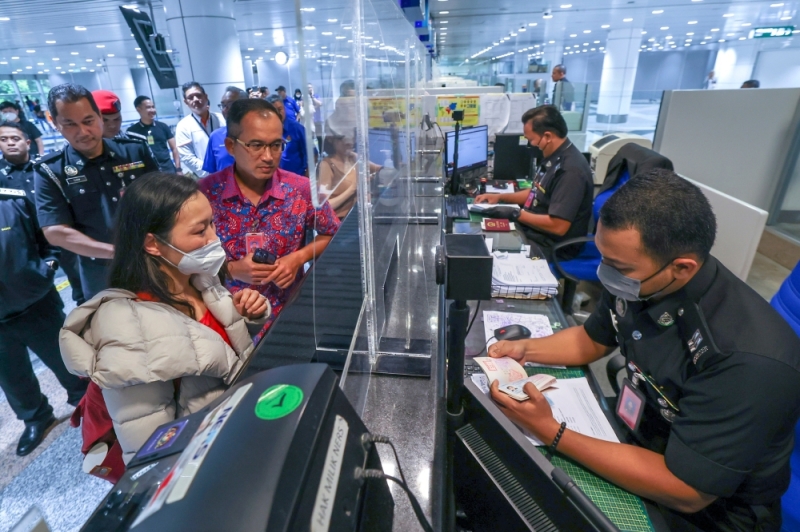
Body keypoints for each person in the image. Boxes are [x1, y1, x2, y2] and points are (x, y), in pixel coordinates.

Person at [487, 169, 800, 532]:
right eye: (604, 257)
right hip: (640, 439)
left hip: (707, 511)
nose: (605, 275)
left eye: (618, 268)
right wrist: (523, 348)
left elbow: (687, 490)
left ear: (682, 268)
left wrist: (551, 431)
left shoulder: (749, 360)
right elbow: (590, 339)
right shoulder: (643, 281)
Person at [60, 172, 269, 469]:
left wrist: (250, 316)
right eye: (200, 231)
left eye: (212, 223)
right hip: (209, 459)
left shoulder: (199, 279)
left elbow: (216, 347)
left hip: (237, 428)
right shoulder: (128, 332)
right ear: (153, 244)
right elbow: (152, 452)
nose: (214, 238)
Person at [199, 98, 340, 333]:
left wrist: (297, 259)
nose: (268, 156)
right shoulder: (205, 194)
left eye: (276, 145)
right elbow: (184, 258)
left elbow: (332, 234)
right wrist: (232, 269)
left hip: (288, 315)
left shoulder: (300, 189)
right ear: (231, 146)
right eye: (256, 145)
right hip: (227, 318)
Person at [0, 132, 88, 457]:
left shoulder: (12, 198)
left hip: (34, 300)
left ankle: (85, 400)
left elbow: (47, 235)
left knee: (63, 357)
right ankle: (35, 417)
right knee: (12, 375)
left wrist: (47, 268)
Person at [34, 83, 159, 300]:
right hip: (101, 273)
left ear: (100, 117)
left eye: (88, 121)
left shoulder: (134, 151)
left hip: (153, 260)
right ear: (55, 124)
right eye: (70, 124)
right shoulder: (51, 170)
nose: (83, 132)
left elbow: (163, 200)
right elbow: (55, 232)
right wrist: (117, 253)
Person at [475, 105, 593, 261]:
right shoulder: (553, 156)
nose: (530, 145)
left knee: (484, 257)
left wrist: (516, 214)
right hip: (534, 232)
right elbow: (536, 192)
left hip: (553, 246)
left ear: (548, 136)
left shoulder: (570, 171)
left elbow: (558, 226)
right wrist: (499, 197)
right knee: (480, 237)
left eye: (531, 140)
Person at [0, 121, 85, 305]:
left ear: (28, 142)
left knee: (81, 285)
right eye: (3, 139)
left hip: (59, 233)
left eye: (15, 138)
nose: (10, 143)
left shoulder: (45, 167)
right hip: (26, 244)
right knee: (39, 298)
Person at [318, 135, 380, 220]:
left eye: (352, 137)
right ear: (331, 140)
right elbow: (323, 205)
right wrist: (352, 189)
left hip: (359, 217)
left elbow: (380, 170)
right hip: (339, 221)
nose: (349, 142)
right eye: (344, 138)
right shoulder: (326, 165)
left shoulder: (354, 157)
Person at [175, 81, 225, 178]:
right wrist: (211, 172)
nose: (195, 99)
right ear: (185, 102)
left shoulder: (222, 119)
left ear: (206, 96)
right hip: (204, 177)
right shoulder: (183, 126)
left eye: (198, 95)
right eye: (190, 97)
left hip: (229, 172)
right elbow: (187, 157)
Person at [126, 96, 181, 173]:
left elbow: (174, 148)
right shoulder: (132, 132)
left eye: (153, 107)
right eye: (148, 107)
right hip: (148, 173)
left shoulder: (163, 126)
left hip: (168, 170)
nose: (152, 110)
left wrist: (178, 169)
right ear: (138, 109)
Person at [202, 86, 246, 175]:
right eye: (223, 105)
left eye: (230, 104)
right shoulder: (215, 137)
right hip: (225, 188)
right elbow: (212, 173)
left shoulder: (259, 134)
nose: (225, 109)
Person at [266, 94, 309, 176]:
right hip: (274, 179)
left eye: (280, 109)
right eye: (274, 111)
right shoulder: (265, 131)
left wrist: (307, 175)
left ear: (284, 108)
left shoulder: (297, 129)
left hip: (297, 178)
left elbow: (312, 153)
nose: (278, 113)